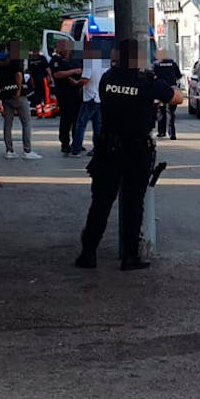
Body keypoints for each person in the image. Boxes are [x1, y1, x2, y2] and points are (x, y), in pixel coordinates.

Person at [76, 38, 184, 271]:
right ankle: (130, 257)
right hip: (136, 151)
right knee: (133, 204)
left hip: (108, 149)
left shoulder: (107, 78)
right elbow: (177, 98)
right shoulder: (146, 82)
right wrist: (168, 86)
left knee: (101, 203)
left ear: (117, 55)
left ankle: (88, 253)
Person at [0, 40, 42, 161]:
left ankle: (9, 150)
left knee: (8, 124)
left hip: (5, 95)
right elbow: (19, 75)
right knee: (26, 122)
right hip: (18, 95)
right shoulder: (16, 60)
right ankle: (27, 150)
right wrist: (18, 90)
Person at [50, 37, 85, 156]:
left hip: (78, 93)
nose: (63, 49)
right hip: (64, 94)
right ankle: (65, 143)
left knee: (78, 120)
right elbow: (57, 74)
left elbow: (83, 71)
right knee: (66, 120)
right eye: (61, 46)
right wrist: (73, 72)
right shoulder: (56, 60)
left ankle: (77, 142)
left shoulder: (76, 58)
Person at [76, 46, 104, 156]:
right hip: (99, 98)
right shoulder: (103, 63)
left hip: (89, 97)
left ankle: (76, 149)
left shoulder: (89, 63)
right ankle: (97, 149)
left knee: (81, 124)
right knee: (97, 126)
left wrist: (76, 83)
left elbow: (85, 80)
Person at [152, 48, 182, 140]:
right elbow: (179, 76)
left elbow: (152, 77)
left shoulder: (156, 64)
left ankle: (161, 132)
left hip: (161, 91)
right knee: (171, 113)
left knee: (161, 111)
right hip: (172, 90)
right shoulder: (172, 63)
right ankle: (172, 134)